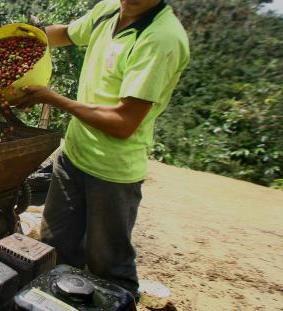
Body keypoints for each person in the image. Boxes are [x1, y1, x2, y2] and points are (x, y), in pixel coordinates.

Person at [11, 0, 190, 297]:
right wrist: (26, 41)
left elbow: (123, 122)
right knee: (55, 248)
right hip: (73, 158)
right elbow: (66, 34)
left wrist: (53, 99)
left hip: (113, 174)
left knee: (108, 267)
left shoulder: (162, 39)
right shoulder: (108, 9)